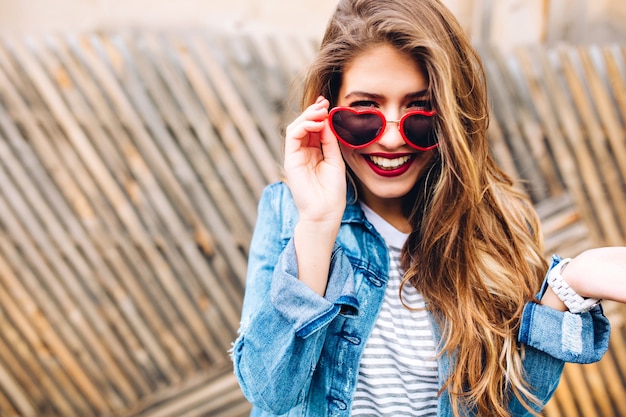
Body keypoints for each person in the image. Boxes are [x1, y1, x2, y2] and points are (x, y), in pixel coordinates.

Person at [231, 0, 626, 416]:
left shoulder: (494, 225)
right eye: (365, 110)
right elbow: (269, 391)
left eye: (420, 111)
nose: (390, 138)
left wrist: (569, 287)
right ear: (326, 111)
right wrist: (317, 224)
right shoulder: (288, 212)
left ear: (453, 117)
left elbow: (509, 407)